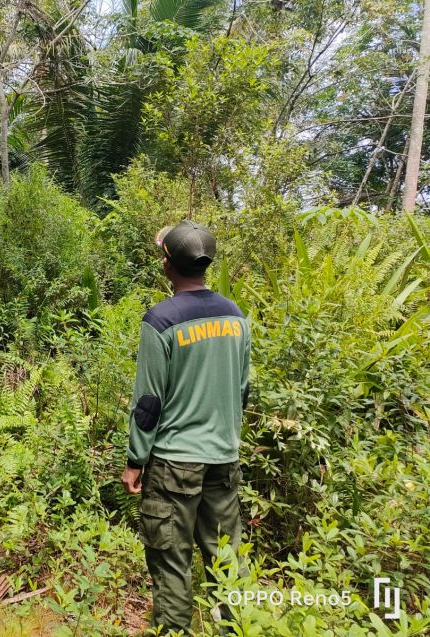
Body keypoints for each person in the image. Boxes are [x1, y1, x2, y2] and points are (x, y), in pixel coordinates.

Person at [120, 220, 251, 635]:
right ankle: (237, 629)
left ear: (167, 264)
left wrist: (135, 461)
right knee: (226, 557)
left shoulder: (161, 320)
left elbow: (148, 402)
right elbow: (242, 389)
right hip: (223, 459)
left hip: (174, 462)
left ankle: (174, 631)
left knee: (172, 559)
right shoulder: (236, 317)